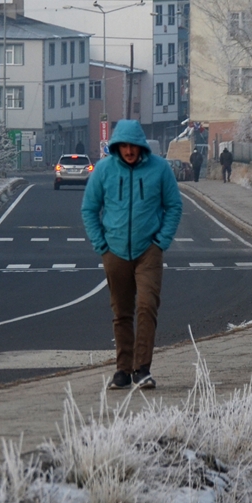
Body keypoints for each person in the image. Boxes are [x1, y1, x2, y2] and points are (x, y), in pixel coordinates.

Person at [81, 120, 183, 390]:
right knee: (122, 312)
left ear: (141, 146)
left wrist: (161, 241)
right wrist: (101, 245)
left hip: (148, 250)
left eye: (133, 146)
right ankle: (123, 370)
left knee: (147, 305)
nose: (128, 150)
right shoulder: (103, 170)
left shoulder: (160, 169)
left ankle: (143, 369)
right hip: (114, 251)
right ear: (117, 147)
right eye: (123, 146)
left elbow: (174, 205)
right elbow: (89, 208)